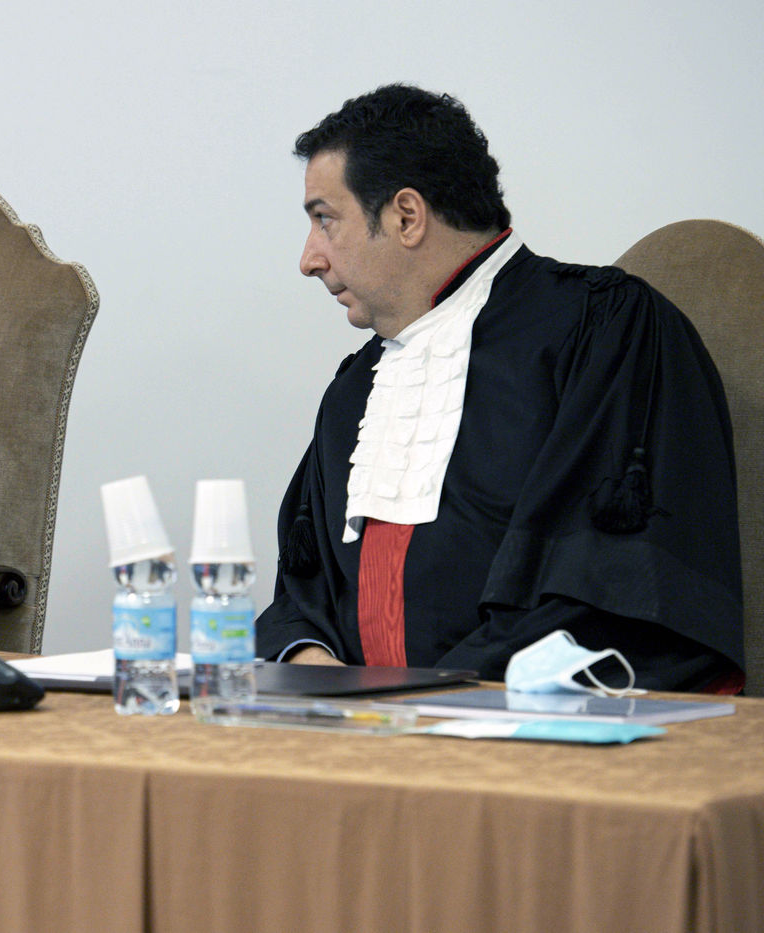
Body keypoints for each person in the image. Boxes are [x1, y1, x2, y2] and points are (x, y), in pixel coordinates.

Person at [255, 85, 745, 691]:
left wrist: (435, 696)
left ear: (406, 217)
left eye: (325, 220)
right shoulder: (356, 390)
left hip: (533, 727)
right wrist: (310, 666)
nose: (309, 259)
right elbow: (304, 594)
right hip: (363, 728)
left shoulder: (604, 330)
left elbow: (621, 583)